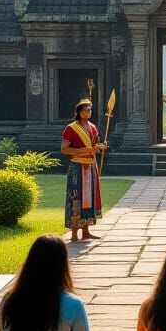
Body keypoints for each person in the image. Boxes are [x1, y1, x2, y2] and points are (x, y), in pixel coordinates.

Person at [61, 97, 105, 242]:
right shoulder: (71, 128)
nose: (88, 112)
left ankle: (86, 230)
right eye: (85, 110)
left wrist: (99, 147)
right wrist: (83, 150)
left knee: (89, 198)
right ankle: (74, 232)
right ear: (79, 112)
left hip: (90, 165)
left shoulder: (92, 127)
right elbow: (64, 149)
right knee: (76, 198)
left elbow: (94, 145)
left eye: (90, 110)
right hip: (77, 167)